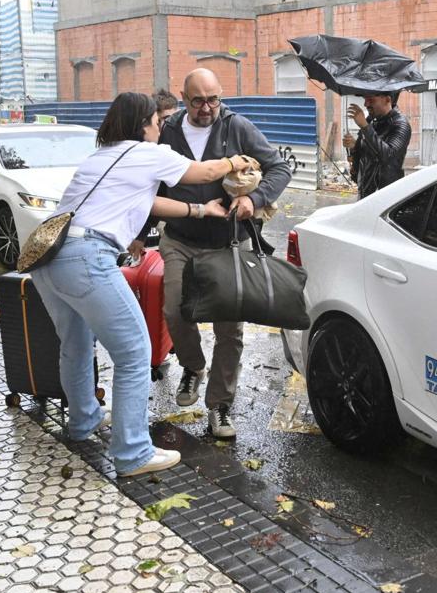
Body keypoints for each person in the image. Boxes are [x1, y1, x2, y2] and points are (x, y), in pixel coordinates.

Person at [30, 92, 256, 477]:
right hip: (88, 258)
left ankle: (83, 422)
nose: (160, 127)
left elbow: (149, 204)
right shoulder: (145, 152)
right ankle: (133, 453)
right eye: (156, 122)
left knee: (75, 344)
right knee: (135, 352)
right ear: (142, 125)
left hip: (49, 260)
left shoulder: (100, 156)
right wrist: (237, 161)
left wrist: (201, 210)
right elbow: (201, 173)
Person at [135, 68, 292, 439]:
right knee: (175, 308)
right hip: (181, 238)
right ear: (183, 98)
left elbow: (279, 168)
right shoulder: (169, 131)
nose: (207, 108)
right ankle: (193, 365)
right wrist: (141, 233)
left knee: (229, 329)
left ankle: (219, 405)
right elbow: (151, 184)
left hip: (229, 242)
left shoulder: (237, 127)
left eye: (214, 99)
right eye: (198, 101)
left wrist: (254, 199)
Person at [342, 91, 412, 198]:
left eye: (371, 100)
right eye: (365, 100)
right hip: (366, 194)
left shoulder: (400, 124)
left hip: (387, 196)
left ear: (387, 100)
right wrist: (354, 147)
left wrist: (365, 127)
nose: (366, 104)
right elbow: (365, 157)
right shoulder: (371, 121)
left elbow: (389, 156)